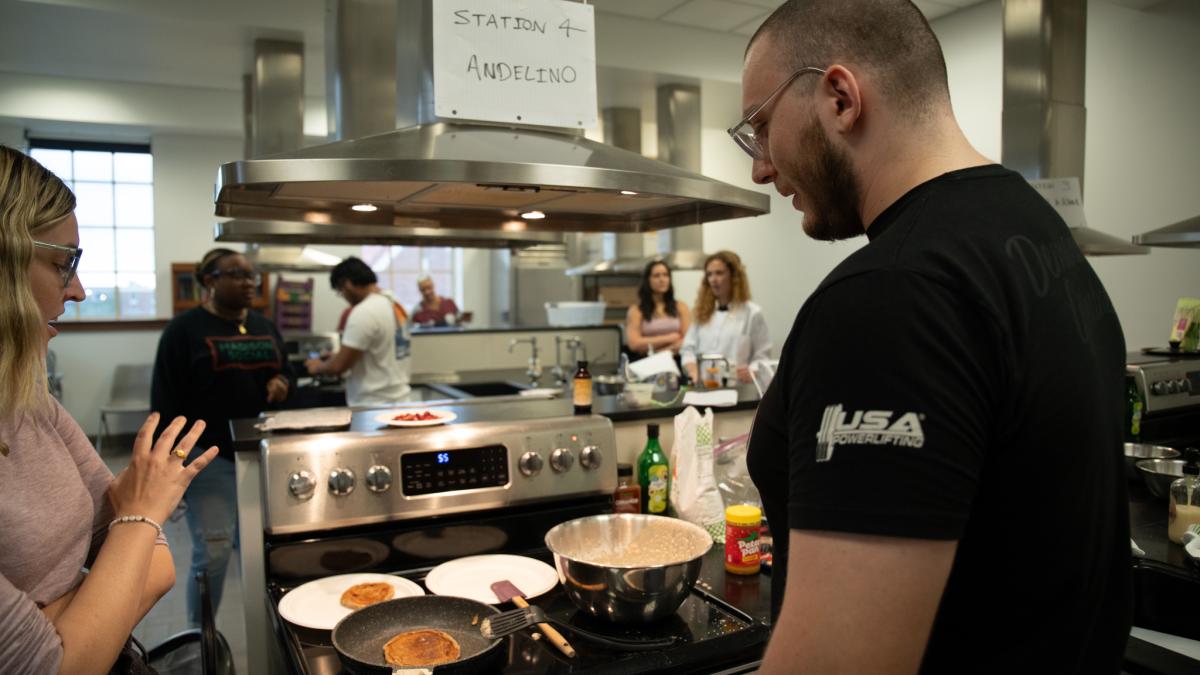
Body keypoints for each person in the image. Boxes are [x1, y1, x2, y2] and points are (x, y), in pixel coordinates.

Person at [737, 2, 1130, 673]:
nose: (761, 169)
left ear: (839, 97)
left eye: (762, 128)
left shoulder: (890, 297)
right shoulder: (1034, 229)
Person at [0, 145, 218, 674]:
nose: (78, 289)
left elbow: (158, 568)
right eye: (61, 263)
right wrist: (139, 519)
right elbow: (58, 669)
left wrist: (65, 620)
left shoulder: (31, 408)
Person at [151, 247, 292, 627]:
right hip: (208, 458)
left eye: (252, 276)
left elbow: (287, 372)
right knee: (213, 555)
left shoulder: (265, 326)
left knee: (263, 551)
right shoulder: (183, 332)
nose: (250, 283)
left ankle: (270, 630)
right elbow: (165, 403)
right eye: (237, 275)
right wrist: (172, 469)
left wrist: (282, 383)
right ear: (210, 280)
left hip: (262, 455)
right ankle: (202, 642)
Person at [306, 257, 412, 406]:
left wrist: (317, 366)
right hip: (400, 400)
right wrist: (339, 355)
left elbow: (339, 367)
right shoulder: (394, 303)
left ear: (347, 284)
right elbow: (382, 351)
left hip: (373, 406)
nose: (343, 297)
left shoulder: (364, 311)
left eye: (340, 291)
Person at [680, 250, 770, 385]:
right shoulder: (701, 312)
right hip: (704, 387)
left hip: (738, 388)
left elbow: (762, 355)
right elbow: (688, 349)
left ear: (734, 276)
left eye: (719, 273)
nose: (713, 279)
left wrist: (752, 371)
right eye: (709, 274)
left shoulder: (752, 313)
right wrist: (692, 370)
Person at [625, 260, 691, 356]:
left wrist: (660, 352)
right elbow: (634, 344)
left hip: (677, 361)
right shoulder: (636, 311)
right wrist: (670, 338)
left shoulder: (681, 306)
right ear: (647, 280)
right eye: (656, 276)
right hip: (646, 362)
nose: (662, 279)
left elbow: (687, 340)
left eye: (665, 275)